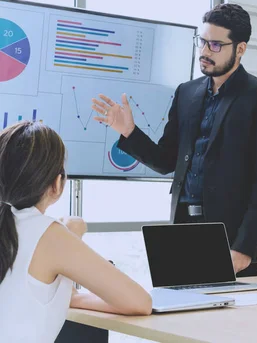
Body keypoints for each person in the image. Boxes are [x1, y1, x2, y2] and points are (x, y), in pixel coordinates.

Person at [92, 3, 257, 277]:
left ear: (240, 49)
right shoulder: (186, 92)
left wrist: (245, 247)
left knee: (226, 317)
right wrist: (129, 132)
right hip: (181, 228)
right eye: (203, 42)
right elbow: (165, 161)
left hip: (229, 237)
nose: (206, 51)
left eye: (216, 45)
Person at [0, 121, 151, 343]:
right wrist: (71, 234)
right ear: (57, 183)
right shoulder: (49, 234)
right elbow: (140, 303)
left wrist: (72, 297)